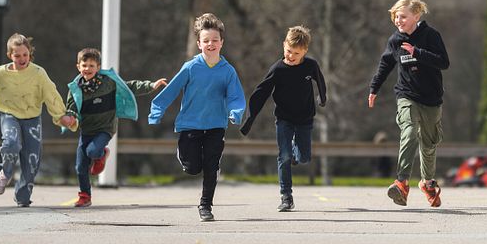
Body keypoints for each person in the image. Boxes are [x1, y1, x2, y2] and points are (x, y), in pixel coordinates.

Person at [0, 33, 76, 207]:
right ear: (10, 55)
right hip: (9, 115)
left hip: (32, 118)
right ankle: (6, 172)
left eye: (25, 55)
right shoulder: (1, 73)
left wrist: (61, 116)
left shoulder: (39, 73)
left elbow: (51, 94)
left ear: (30, 54)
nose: (22, 59)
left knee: (32, 160)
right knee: (11, 143)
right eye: (17, 55)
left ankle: (22, 195)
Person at [149, 13, 245, 222]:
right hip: (190, 125)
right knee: (193, 168)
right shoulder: (190, 67)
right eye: (206, 40)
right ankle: (183, 154)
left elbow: (236, 96)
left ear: (222, 43)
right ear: (199, 44)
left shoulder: (228, 71)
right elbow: (172, 90)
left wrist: (235, 113)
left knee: (211, 166)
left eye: (215, 40)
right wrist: (156, 111)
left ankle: (205, 205)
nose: (211, 44)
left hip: (215, 126)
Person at [368, 0, 449, 208]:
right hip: (406, 95)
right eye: (395, 16)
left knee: (429, 143)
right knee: (409, 131)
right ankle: (402, 182)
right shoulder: (395, 40)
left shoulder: (431, 36)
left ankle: (428, 183)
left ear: (416, 16)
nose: (398, 20)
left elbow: (444, 62)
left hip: (431, 98)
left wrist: (418, 53)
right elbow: (385, 65)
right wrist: (374, 88)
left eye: (403, 16)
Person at [63, 47, 167, 208]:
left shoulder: (108, 82)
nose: (87, 69)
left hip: (105, 127)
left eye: (92, 65)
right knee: (80, 166)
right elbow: (71, 108)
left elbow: (129, 86)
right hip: (86, 130)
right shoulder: (75, 88)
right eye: (84, 65)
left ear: (98, 67)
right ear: (78, 67)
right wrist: (69, 118)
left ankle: (102, 153)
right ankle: (85, 195)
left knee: (92, 151)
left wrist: (150, 85)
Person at [240, 25, 327, 212]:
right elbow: (261, 93)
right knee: (284, 155)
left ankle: (297, 152)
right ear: (283, 46)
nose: (291, 56)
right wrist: (249, 119)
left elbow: (320, 81)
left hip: (305, 118)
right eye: (288, 51)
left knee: (303, 157)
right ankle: (286, 197)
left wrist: (322, 98)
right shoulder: (277, 69)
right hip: (284, 119)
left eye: (296, 53)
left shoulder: (310, 65)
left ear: (304, 51)